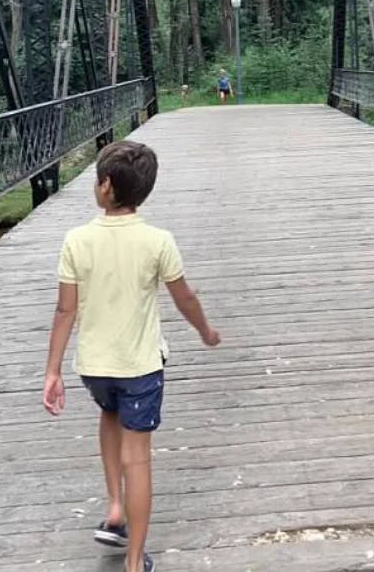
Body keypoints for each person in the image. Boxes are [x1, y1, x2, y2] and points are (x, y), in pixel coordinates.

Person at [42, 141, 220, 572]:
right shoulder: (157, 241)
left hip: (94, 367)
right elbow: (184, 297)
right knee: (137, 455)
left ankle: (115, 507)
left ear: (105, 186)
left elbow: (66, 310)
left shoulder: (76, 240)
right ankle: (135, 561)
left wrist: (52, 371)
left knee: (109, 415)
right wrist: (205, 331)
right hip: (140, 365)